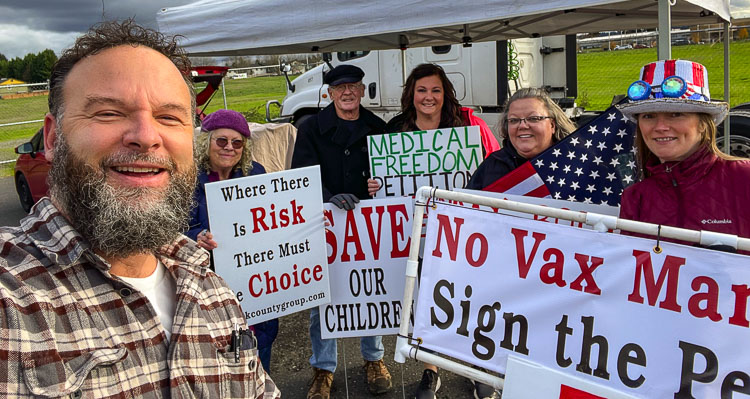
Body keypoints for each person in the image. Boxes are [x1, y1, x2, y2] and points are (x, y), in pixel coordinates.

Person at [0, 20, 280, 398]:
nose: (147, 137)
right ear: (53, 137)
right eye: (109, 113)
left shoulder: (213, 291)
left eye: (169, 117)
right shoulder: (13, 300)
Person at [291, 64, 392, 399]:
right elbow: (301, 177)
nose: (347, 92)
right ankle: (323, 368)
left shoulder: (378, 127)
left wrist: (379, 188)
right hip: (326, 222)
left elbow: (390, 175)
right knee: (324, 294)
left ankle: (374, 359)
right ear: (329, 93)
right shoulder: (310, 128)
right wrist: (327, 200)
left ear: (363, 91)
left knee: (372, 289)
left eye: (354, 86)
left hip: (368, 224)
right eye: (340, 88)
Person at [617, 59, 750, 249]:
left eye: (676, 114)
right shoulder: (635, 198)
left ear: (704, 124)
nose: (660, 127)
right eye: (649, 116)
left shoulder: (744, 178)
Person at [186, 108, 278, 374]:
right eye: (221, 141)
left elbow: (276, 216)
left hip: (254, 278)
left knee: (260, 342)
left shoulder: (255, 173)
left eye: (237, 142)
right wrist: (197, 236)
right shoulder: (187, 178)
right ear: (207, 142)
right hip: (208, 282)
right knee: (218, 351)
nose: (229, 147)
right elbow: (175, 227)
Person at [466, 87, 577, 190]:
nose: (523, 126)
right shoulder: (492, 166)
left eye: (534, 118)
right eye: (514, 120)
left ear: (552, 125)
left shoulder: (576, 162)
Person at [384, 63, 500, 156]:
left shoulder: (470, 124)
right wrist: (376, 184)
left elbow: (493, 167)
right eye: (421, 90)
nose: (429, 97)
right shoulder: (394, 128)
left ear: (445, 94)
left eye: (436, 90)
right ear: (411, 94)